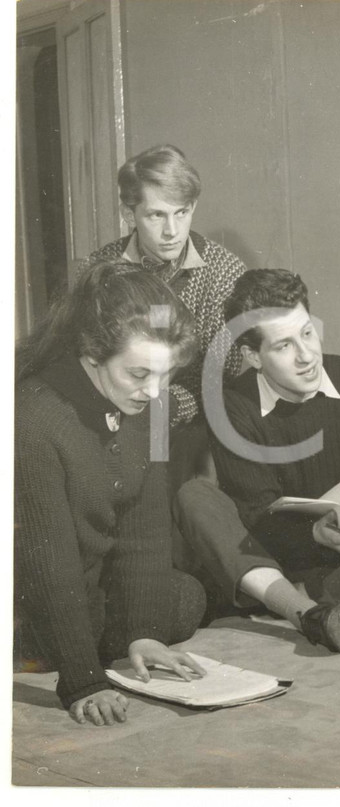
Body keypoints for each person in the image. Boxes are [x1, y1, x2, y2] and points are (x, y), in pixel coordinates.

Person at [174, 269, 340, 654]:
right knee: (194, 497)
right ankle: (296, 606)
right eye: (283, 347)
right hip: (269, 549)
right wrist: (314, 534)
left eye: (308, 333)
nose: (307, 356)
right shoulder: (232, 405)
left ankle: (274, 599)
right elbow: (253, 515)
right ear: (253, 357)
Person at [15, 262, 207, 727]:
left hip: (91, 585)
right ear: (93, 351)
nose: (154, 391)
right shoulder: (33, 419)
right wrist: (83, 679)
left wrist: (144, 635)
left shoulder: (144, 404)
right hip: (30, 591)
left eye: (165, 375)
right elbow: (49, 563)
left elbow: (145, 531)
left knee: (186, 596)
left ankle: (98, 638)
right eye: (139, 373)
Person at [85, 144, 247, 430]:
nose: (172, 231)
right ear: (128, 213)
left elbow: (219, 376)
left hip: (193, 427)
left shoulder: (225, 272)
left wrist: (160, 410)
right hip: (110, 417)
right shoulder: (98, 269)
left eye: (181, 212)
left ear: (193, 206)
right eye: (156, 215)